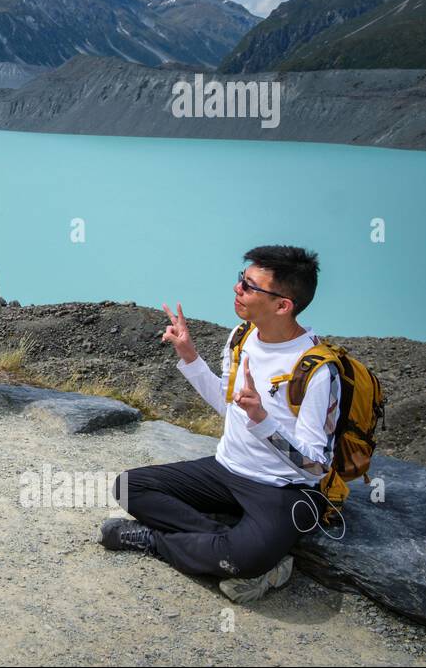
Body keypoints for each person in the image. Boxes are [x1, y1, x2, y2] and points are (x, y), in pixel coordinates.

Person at [100, 246, 338, 602]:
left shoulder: (317, 369)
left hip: (283, 489)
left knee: (245, 557)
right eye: (241, 279)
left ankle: (156, 540)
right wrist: (189, 356)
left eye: (249, 286)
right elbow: (230, 410)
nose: (237, 289)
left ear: (282, 305)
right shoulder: (241, 337)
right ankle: (223, 544)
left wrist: (262, 420)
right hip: (226, 470)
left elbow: (316, 465)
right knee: (128, 487)